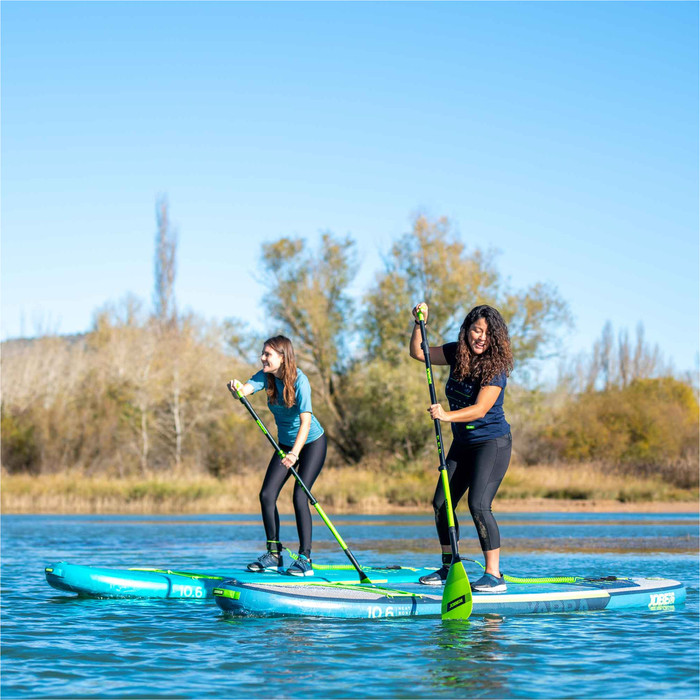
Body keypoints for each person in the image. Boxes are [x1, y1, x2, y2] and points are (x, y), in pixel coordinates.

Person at [410, 302, 513, 593]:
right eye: (476, 330)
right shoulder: (457, 352)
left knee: (478, 505)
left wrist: (446, 415)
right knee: (441, 503)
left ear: (496, 338)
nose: (481, 337)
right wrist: (420, 324)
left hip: (491, 444)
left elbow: (480, 409)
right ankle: (450, 565)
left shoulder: (496, 369)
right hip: (463, 443)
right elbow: (419, 353)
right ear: (467, 331)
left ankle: (494, 576)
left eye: (488, 333)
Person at [229, 335, 326, 577]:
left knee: (299, 497)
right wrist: (237, 389)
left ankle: (305, 559)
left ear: (283, 357)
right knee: (266, 495)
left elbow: (305, 422)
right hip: (284, 444)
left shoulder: (300, 381)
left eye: (267, 354)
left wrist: (294, 453)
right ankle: (274, 554)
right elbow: (246, 390)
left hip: (311, 443)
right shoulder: (266, 376)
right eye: (262, 353)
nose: (262, 358)